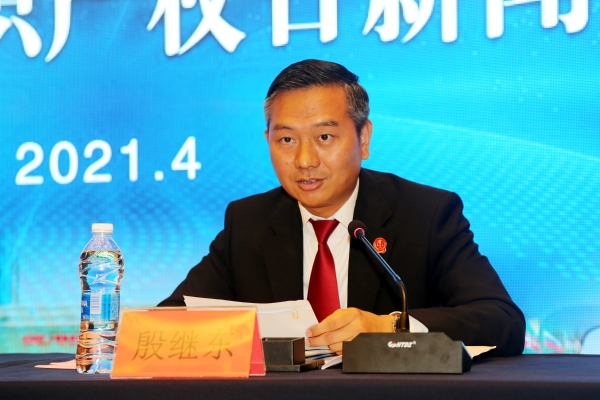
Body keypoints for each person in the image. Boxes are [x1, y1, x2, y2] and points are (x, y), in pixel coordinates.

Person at [159, 59, 525, 357]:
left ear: (363, 138)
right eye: (286, 139)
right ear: (267, 140)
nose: (304, 160)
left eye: (324, 137)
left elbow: (502, 321)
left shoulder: (426, 214)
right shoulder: (249, 222)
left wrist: (389, 326)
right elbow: (170, 323)